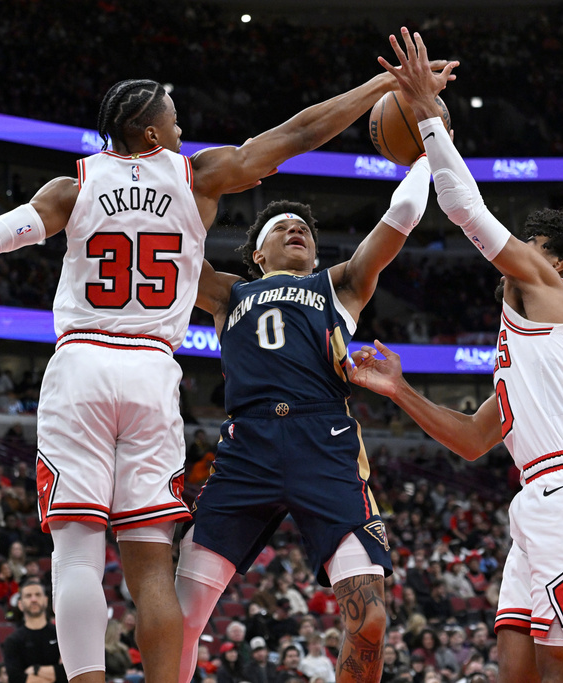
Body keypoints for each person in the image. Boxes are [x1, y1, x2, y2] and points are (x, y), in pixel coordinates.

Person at [0, 57, 457, 683]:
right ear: (149, 130)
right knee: (151, 567)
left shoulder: (73, 184)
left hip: (83, 364)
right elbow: (293, 136)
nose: (179, 129)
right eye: (172, 119)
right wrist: (377, 90)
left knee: (78, 549)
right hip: (151, 373)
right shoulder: (197, 178)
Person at [348, 28, 563, 683]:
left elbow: (465, 209)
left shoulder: (551, 289)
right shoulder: (526, 356)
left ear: (555, 260)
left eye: (531, 244)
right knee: (517, 670)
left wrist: (425, 116)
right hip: (539, 498)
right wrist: (401, 391)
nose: (518, 252)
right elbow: (476, 439)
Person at [176, 152, 439, 682]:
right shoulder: (231, 293)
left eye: (304, 228)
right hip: (247, 447)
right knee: (182, 618)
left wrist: (427, 158)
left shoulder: (338, 285)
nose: (296, 228)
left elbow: (401, 218)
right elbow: (172, 247)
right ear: (257, 252)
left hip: (325, 442)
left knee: (371, 619)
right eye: (281, 227)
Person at [2, 580, 66, 683]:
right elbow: (16, 678)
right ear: (20, 604)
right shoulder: (12, 641)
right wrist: (54, 673)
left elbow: (68, 673)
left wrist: (36, 670)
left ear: (46, 600)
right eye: (28, 596)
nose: (33, 599)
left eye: (38, 594)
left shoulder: (61, 635)